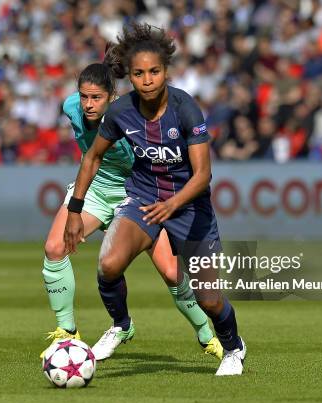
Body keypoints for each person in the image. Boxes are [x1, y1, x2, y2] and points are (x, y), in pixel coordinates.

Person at [64, 23, 246, 376]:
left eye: (154, 72)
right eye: (138, 73)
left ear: (165, 71)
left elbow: (203, 175)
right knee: (109, 264)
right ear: (128, 77)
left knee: (208, 298)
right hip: (144, 199)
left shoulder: (186, 109)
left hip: (191, 208)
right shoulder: (120, 113)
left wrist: (173, 204)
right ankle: (120, 325)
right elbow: (92, 157)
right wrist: (75, 209)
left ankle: (233, 347)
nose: (147, 80)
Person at [40, 57, 222, 361]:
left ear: (112, 97)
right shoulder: (70, 107)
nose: (87, 104)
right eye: (84, 96)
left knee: (170, 271)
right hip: (97, 189)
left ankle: (206, 334)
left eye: (96, 98)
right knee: (55, 247)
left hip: (136, 192)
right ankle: (68, 333)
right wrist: (75, 207)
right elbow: (91, 159)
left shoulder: (127, 120)